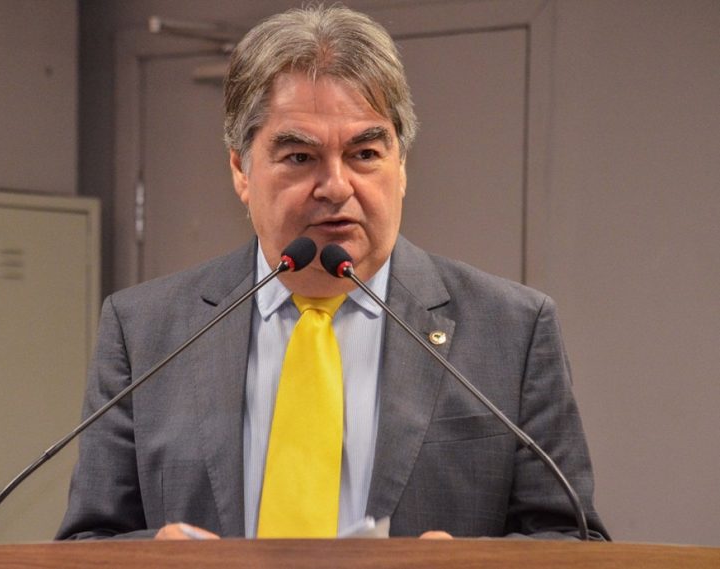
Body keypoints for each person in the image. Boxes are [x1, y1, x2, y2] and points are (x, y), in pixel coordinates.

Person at [57, 5, 608, 541]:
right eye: (300, 158)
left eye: (365, 153)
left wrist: (471, 567)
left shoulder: (511, 330)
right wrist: (153, 558)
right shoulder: (146, 330)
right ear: (241, 170)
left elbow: (570, 537)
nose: (337, 186)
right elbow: (90, 539)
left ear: (401, 164)